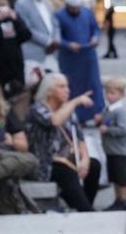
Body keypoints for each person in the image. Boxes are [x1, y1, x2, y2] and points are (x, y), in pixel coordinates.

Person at [26, 72, 101, 211]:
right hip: (46, 163)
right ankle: (85, 209)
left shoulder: (68, 110)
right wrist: (76, 101)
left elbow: (79, 137)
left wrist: (85, 159)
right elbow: (54, 121)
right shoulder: (37, 109)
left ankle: (85, 205)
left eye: (67, 86)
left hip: (69, 159)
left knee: (94, 165)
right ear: (49, 91)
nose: (67, 90)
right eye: (61, 86)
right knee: (64, 172)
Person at [55, 0, 103, 124]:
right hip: (70, 58)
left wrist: (95, 38)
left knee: (93, 84)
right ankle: (76, 115)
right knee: (73, 87)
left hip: (88, 55)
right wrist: (68, 44)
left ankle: (97, 114)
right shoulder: (59, 16)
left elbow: (96, 29)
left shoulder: (87, 13)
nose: (76, 10)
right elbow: (56, 36)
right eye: (73, 9)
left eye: (77, 8)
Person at [94, 76, 126, 212]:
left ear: (121, 95)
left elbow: (123, 129)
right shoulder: (108, 109)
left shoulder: (120, 111)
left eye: (112, 93)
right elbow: (104, 120)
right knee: (114, 177)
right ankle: (118, 199)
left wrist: (108, 130)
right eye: (107, 93)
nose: (109, 96)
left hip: (118, 150)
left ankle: (124, 201)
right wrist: (99, 120)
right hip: (109, 150)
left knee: (121, 178)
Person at [15, 0, 61, 86]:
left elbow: (55, 24)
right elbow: (26, 28)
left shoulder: (47, 1)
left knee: (54, 86)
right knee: (36, 88)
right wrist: (48, 42)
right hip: (34, 54)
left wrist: (56, 41)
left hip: (52, 54)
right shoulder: (21, 3)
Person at [0, 0, 31, 96]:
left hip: (16, 64)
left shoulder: (14, 17)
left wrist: (15, 20)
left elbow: (26, 35)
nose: (2, 7)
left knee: (19, 95)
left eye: (4, 3)